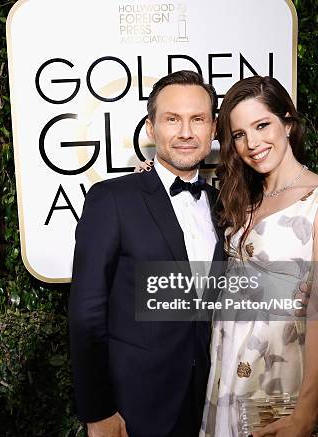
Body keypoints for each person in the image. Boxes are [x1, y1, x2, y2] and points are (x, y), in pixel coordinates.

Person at [68, 70, 226, 437]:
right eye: (172, 119)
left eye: (197, 119)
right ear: (152, 129)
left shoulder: (223, 206)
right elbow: (86, 315)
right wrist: (98, 412)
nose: (186, 132)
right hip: (136, 408)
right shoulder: (113, 199)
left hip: (212, 404)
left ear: (214, 128)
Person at [199, 76, 318, 437]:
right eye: (239, 134)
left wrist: (306, 412)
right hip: (225, 368)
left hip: (277, 377)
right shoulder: (244, 197)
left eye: (262, 125)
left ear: (287, 121)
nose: (252, 143)